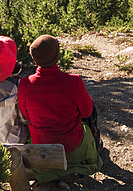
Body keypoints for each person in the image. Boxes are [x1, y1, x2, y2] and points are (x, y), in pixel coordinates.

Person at [17, 34, 103, 184]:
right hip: (72, 149)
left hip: (42, 151)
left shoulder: (25, 84)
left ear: (34, 58)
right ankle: (92, 151)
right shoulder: (73, 82)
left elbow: (26, 116)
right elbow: (87, 112)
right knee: (89, 113)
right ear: (57, 56)